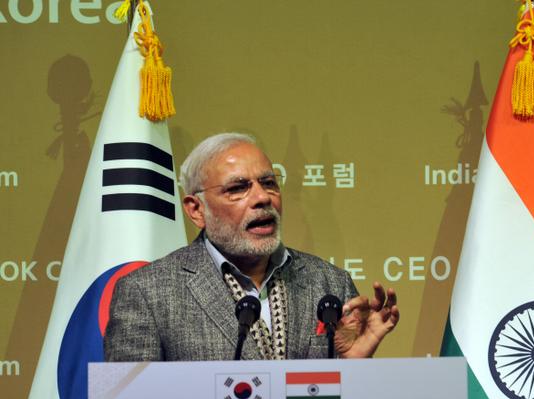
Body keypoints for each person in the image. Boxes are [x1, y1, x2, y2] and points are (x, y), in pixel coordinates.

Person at [104, 132, 399, 362]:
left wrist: (351, 366)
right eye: (238, 188)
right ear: (196, 209)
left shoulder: (330, 283)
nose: (262, 198)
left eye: (269, 183)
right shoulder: (148, 293)